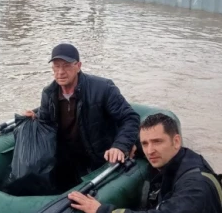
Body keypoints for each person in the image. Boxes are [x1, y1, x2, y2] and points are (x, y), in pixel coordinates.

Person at [68, 113, 222, 213]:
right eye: (145, 144)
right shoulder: (172, 158)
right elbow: (144, 147)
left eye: (157, 142)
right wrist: (125, 146)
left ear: (176, 141)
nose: (150, 151)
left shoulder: (197, 186)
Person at [24, 43, 140, 192]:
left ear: (78, 66)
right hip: (68, 157)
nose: (60, 72)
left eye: (66, 66)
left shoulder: (103, 88)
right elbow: (46, 123)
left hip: (99, 156)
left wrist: (120, 146)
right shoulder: (48, 94)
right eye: (56, 66)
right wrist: (35, 118)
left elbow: (130, 118)